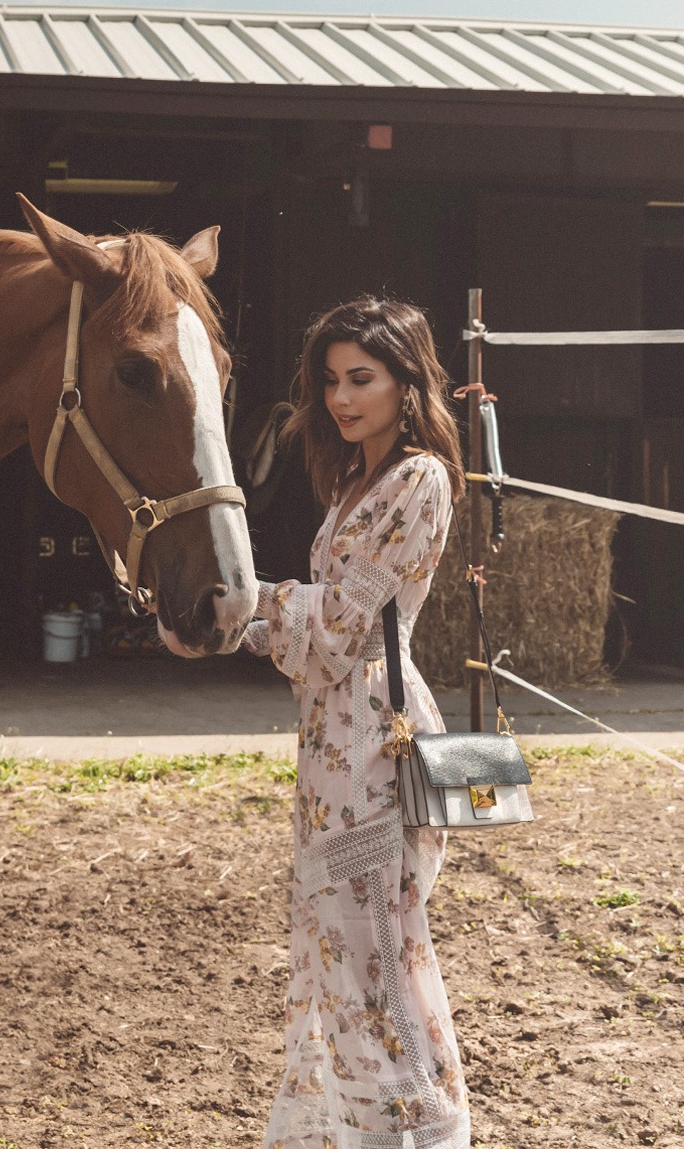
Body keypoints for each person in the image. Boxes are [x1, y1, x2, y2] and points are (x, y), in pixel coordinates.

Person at [242, 297, 469, 1149]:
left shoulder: (420, 480)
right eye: (332, 381)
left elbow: (339, 626)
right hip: (328, 744)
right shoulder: (350, 481)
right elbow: (308, 636)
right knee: (338, 943)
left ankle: (420, 1127)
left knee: (376, 944)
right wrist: (225, 623)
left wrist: (252, 594)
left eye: (362, 379)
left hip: (375, 742)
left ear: (407, 383)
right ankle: (359, 1128)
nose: (341, 398)